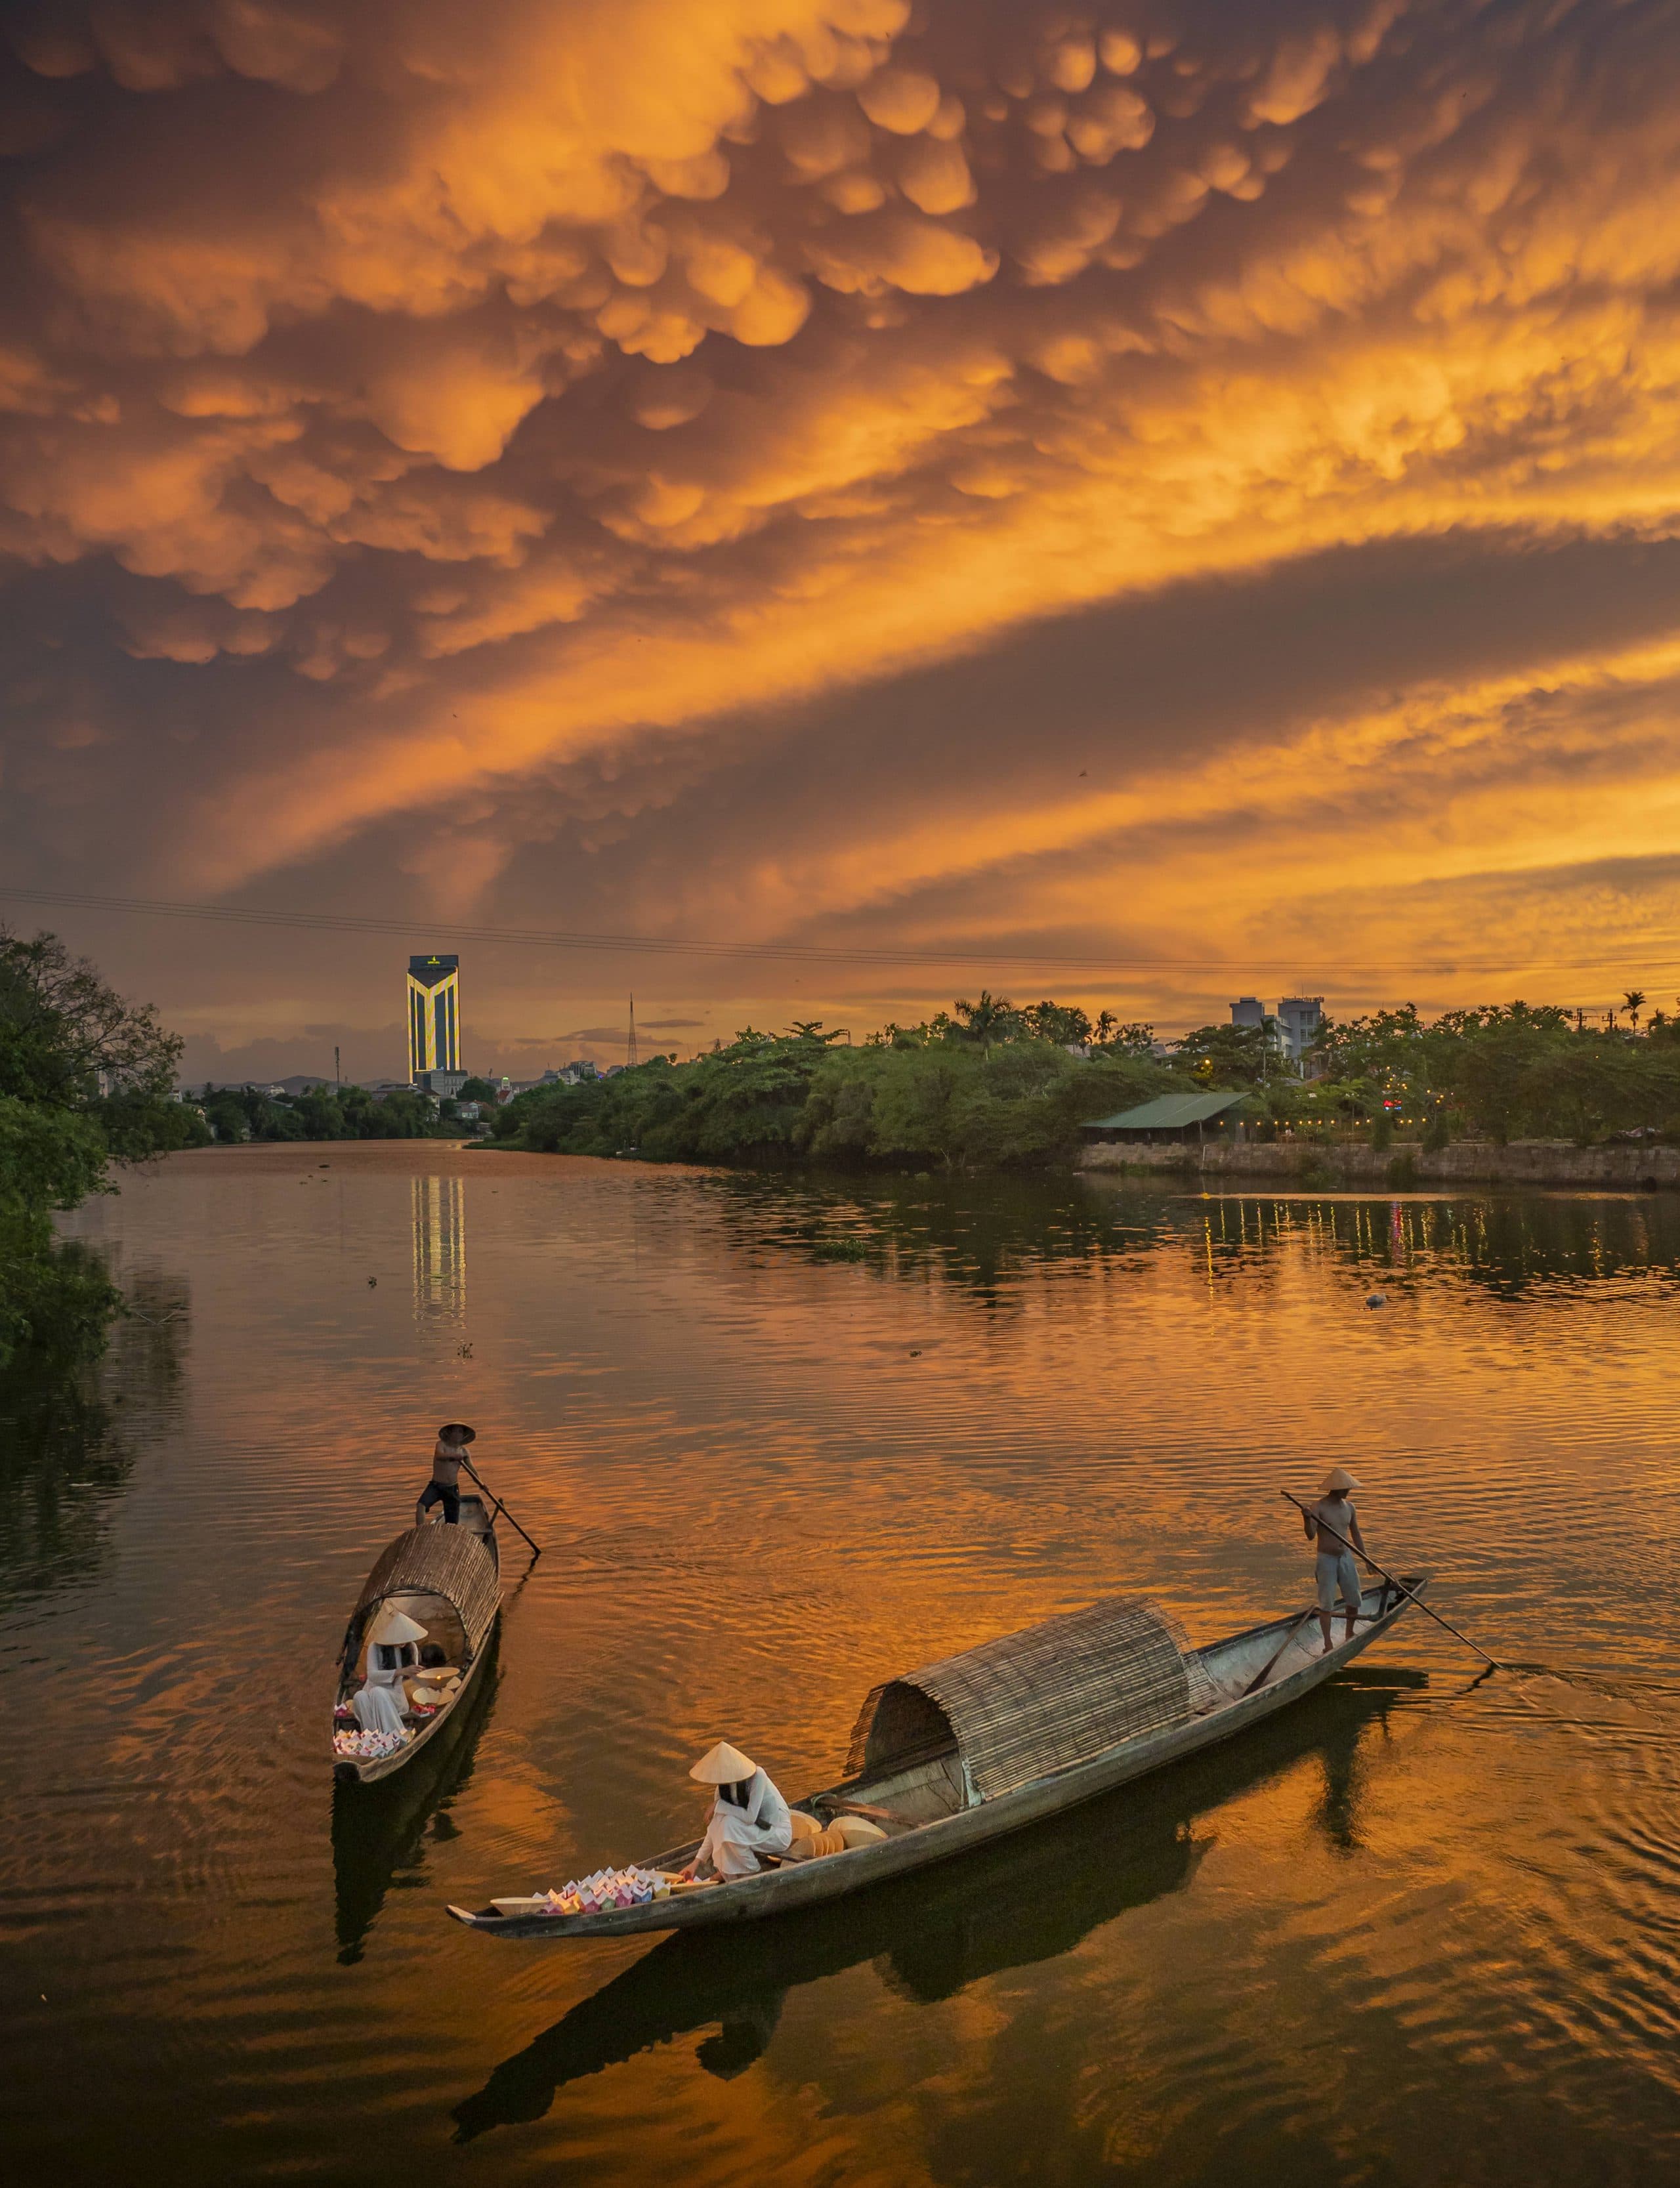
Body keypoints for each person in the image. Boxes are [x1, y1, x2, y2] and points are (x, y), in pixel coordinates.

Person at [680, 1741, 793, 1881]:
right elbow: (715, 1827)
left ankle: (750, 1872)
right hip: (751, 1833)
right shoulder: (722, 1789)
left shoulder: (758, 1776)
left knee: (728, 1825)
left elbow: (750, 1817)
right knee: (723, 1823)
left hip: (775, 1833)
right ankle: (730, 1874)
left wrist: (719, 1806)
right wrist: (695, 1863)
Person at [1303, 1466, 1368, 1653]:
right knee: (1326, 1604)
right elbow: (1310, 1536)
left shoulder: (1349, 1507)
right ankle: (1328, 1644)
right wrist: (1307, 1520)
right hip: (1327, 1560)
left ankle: (1349, 1633)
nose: (1348, 1491)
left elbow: (1356, 1535)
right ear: (1337, 1488)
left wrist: (1366, 1559)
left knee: (1354, 1600)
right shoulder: (1319, 1507)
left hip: (1345, 1557)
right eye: (1346, 1488)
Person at [352, 1603, 427, 1735]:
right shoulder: (375, 1647)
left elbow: (412, 1675)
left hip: (394, 1696)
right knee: (359, 1696)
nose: (403, 1642)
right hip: (372, 1690)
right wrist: (400, 1671)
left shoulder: (411, 1648)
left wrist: (428, 1683)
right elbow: (373, 1676)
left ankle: (396, 1736)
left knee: (378, 1693)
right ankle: (372, 1736)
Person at [417, 1421, 474, 1527]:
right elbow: (440, 1456)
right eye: (455, 1431)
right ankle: (420, 1530)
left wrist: (481, 1483)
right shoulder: (441, 1445)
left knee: (452, 1524)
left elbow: (472, 1470)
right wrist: (453, 1456)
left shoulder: (464, 1451)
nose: (458, 1434)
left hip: (452, 1489)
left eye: (460, 1432)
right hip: (437, 1486)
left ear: (463, 1435)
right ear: (449, 1433)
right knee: (421, 1505)